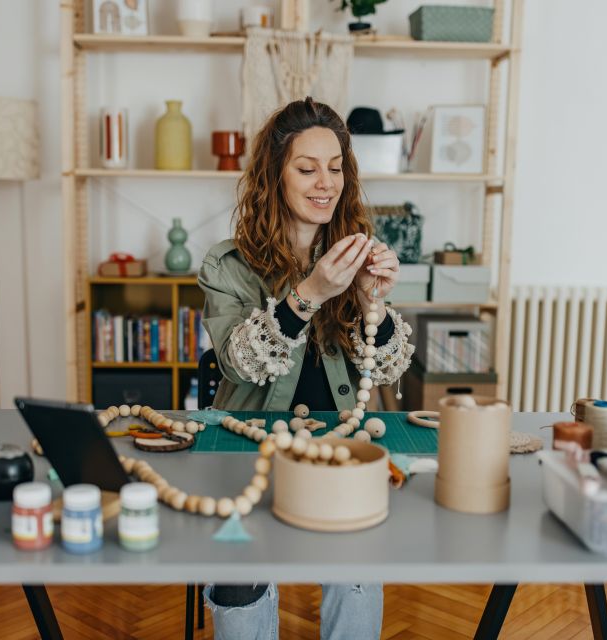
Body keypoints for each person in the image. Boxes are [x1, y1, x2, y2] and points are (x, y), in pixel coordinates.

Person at [196, 97, 414, 639]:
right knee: (237, 575)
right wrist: (310, 293)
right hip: (249, 452)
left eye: (336, 167)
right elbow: (238, 363)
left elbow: (388, 369)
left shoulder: (356, 252)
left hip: (338, 450)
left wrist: (374, 306)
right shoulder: (228, 265)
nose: (326, 183)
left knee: (357, 567)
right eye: (306, 168)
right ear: (275, 176)